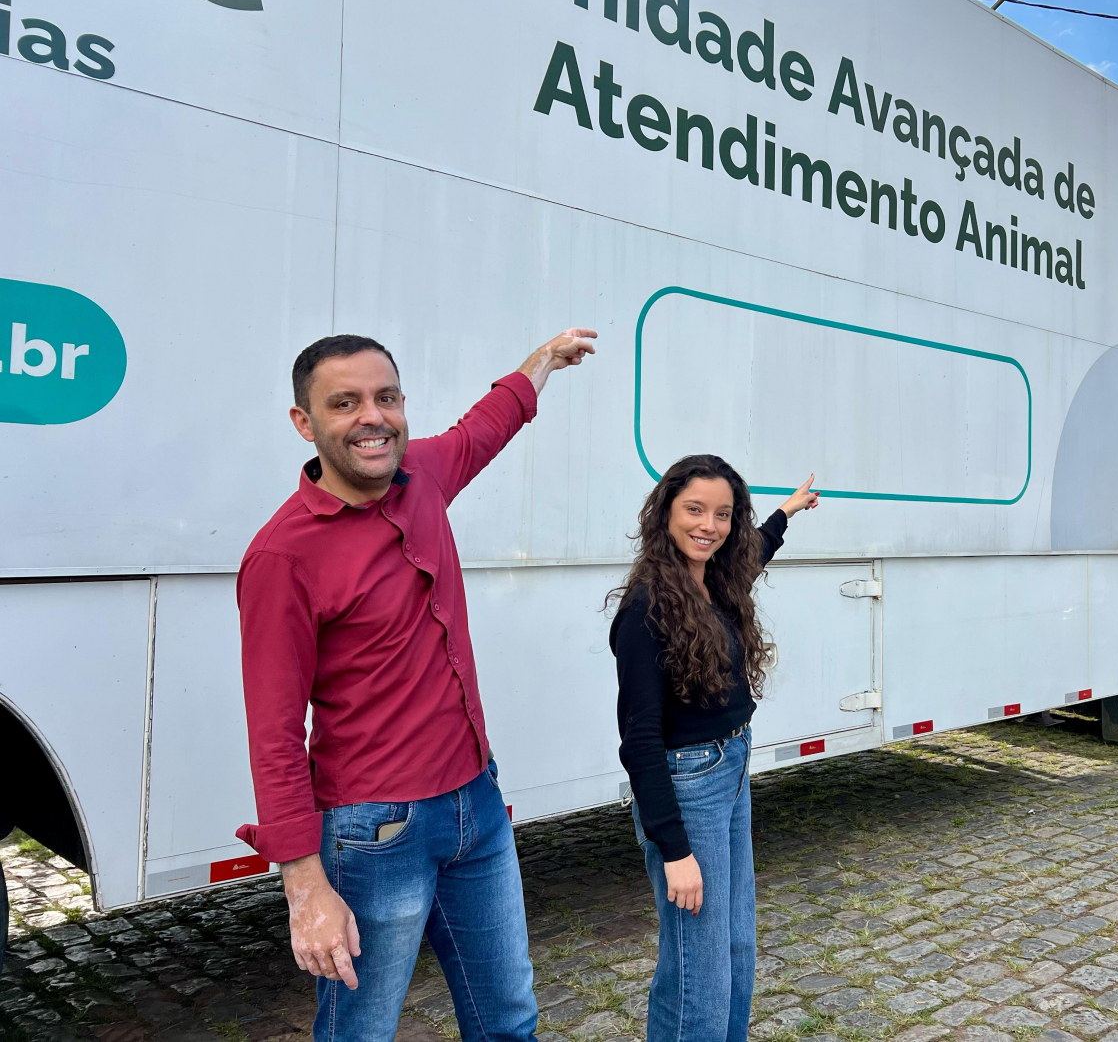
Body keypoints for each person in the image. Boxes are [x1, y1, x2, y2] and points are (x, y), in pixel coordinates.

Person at [236, 328, 594, 1042]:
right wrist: (304, 884)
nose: (373, 417)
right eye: (345, 403)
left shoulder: (422, 473)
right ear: (304, 423)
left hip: (478, 804)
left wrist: (544, 360)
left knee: (509, 1021)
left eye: (387, 397)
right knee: (361, 1033)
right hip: (375, 832)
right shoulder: (282, 556)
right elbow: (273, 735)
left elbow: (487, 424)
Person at [610, 455, 819, 1042]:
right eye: (695, 510)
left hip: (731, 767)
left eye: (722, 514)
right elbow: (640, 740)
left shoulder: (716, 584)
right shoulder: (646, 609)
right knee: (698, 963)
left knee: (733, 946)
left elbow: (755, 551)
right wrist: (674, 850)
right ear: (665, 513)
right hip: (688, 786)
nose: (709, 525)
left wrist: (786, 512)